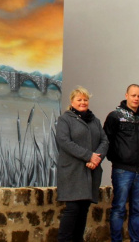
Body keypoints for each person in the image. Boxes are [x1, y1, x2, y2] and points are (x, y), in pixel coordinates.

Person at [55, 86, 109, 242]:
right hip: (72, 172)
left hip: (90, 172)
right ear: (72, 102)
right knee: (73, 209)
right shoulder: (65, 120)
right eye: (79, 99)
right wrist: (89, 156)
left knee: (84, 209)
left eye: (85, 99)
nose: (83, 102)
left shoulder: (95, 121)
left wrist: (97, 158)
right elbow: (64, 142)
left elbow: (105, 141)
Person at [103, 84, 139, 242]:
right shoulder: (115, 116)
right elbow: (106, 140)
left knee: (137, 210)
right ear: (126, 95)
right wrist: (116, 158)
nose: (136, 98)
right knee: (119, 209)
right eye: (133, 95)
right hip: (123, 170)